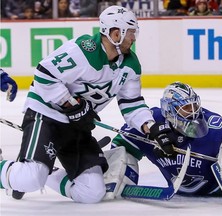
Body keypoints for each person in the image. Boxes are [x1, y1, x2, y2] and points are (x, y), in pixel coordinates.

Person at [0, 6, 175, 204]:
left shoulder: (130, 65)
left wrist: (151, 129)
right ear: (116, 33)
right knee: (30, 178)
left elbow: (132, 104)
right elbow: (44, 75)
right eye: (131, 32)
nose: (134, 38)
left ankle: (45, 172)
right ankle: (22, 171)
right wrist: (71, 104)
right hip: (47, 115)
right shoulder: (82, 51)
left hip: (76, 125)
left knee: (92, 192)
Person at [110, 82, 222, 199]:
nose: (193, 112)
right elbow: (121, 144)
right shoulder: (151, 122)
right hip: (190, 191)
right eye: (186, 108)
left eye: (194, 105)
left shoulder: (215, 127)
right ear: (169, 111)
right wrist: (113, 170)